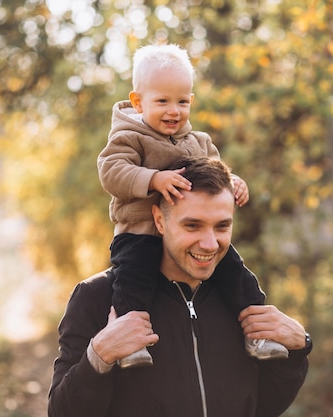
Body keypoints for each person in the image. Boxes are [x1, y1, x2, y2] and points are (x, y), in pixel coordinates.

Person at [49, 156, 311, 417]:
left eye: (222, 226)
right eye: (192, 225)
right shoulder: (96, 297)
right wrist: (99, 356)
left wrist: (298, 350)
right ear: (160, 221)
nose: (210, 244)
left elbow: (262, 406)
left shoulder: (240, 299)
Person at [97, 44, 287, 367]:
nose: (174, 111)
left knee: (236, 273)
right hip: (139, 231)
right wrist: (153, 179)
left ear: (191, 101)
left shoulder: (198, 142)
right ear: (138, 101)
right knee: (133, 282)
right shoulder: (129, 137)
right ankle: (130, 342)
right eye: (162, 101)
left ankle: (258, 332)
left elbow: (215, 171)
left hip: (190, 236)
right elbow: (111, 171)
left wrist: (233, 181)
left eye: (182, 102)